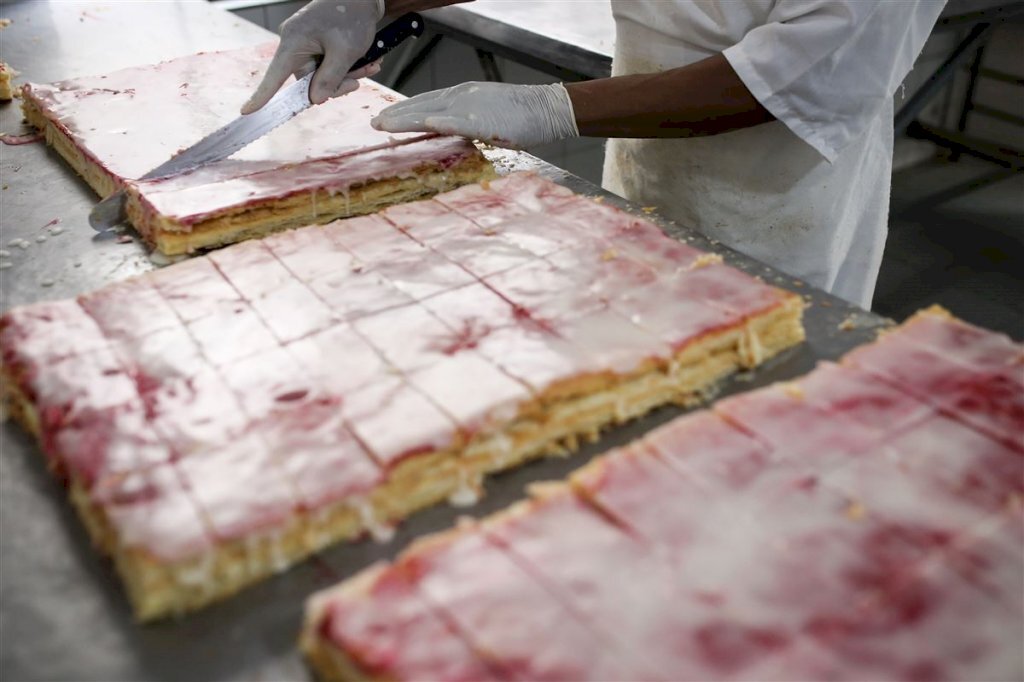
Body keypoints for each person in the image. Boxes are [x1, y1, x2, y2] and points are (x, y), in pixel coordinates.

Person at [243, 0, 947, 308]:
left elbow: (782, 85)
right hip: (643, 166)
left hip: (779, 205)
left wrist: (552, 108)